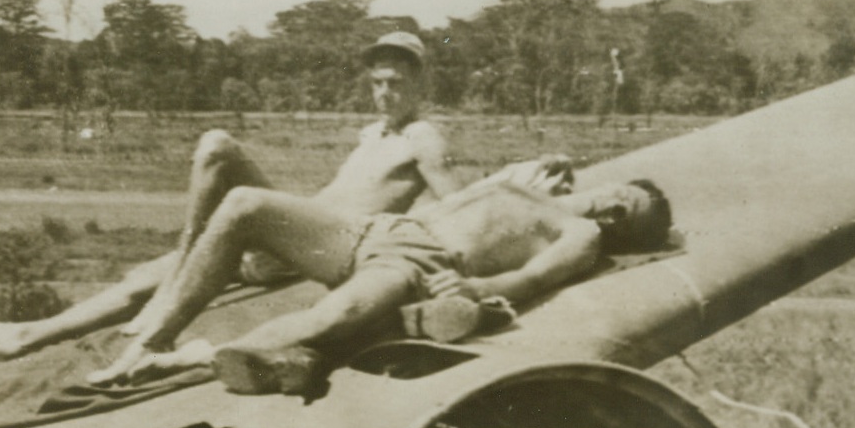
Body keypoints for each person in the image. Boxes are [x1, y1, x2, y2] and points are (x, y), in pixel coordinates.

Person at [0, 31, 458, 358]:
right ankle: (26, 334)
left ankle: (176, 282)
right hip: (296, 236)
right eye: (377, 83)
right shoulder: (372, 135)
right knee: (149, 274)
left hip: (333, 246)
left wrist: (427, 261)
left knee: (219, 147)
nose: (385, 93)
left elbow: (456, 206)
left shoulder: (424, 137)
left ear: (420, 82)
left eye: (396, 82)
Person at [87, 176, 671, 387]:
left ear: (621, 234)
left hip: (419, 261)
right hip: (379, 229)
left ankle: (190, 360)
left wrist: (474, 293)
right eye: (627, 193)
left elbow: (534, 274)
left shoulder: (582, 232)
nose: (618, 207)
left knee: (330, 320)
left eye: (630, 215)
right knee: (243, 204)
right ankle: (151, 341)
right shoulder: (543, 186)